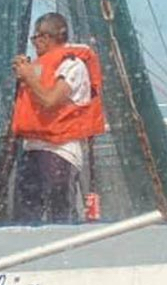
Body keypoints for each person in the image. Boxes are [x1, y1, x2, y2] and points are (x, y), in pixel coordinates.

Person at [10, 12, 105, 223]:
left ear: (46, 37)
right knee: (25, 216)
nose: (34, 44)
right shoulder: (38, 66)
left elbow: (51, 100)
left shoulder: (73, 65)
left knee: (59, 216)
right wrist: (25, 74)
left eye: (36, 38)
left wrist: (29, 77)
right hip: (32, 150)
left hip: (60, 152)